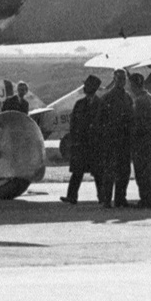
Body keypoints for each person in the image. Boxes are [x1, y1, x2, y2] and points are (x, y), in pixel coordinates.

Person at [63, 74, 107, 204]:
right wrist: (74, 139)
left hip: (94, 144)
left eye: (87, 85)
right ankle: (71, 196)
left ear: (93, 87)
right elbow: (73, 123)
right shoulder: (79, 104)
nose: (85, 88)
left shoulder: (101, 104)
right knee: (77, 172)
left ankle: (102, 197)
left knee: (98, 173)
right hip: (81, 144)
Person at [99, 68, 133, 207]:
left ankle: (120, 198)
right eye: (119, 79)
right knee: (110, 171)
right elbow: (100, 120)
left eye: (124, 79)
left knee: (124, 171)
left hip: (124, 139)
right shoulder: (107, 98)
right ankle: (107, 200)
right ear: (114, 79)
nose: (122, 82)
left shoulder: (128, 97)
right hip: (111, 139)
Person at [128, 72, 151, 208]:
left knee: (142, 171)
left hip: (142, 139)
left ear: (134, 85)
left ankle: (145, 199)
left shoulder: (139, 101)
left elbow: (137, 122)